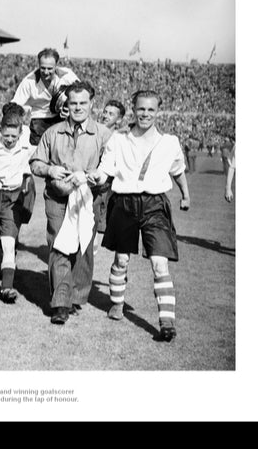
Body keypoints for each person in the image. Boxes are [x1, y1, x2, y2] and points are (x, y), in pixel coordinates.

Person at [87, 90, 191, 342]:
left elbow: (177, 171)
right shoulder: (119, 139)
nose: (145, 114)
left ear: (158, 112)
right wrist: (96, 176)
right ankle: (117, 304)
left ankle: (167, 322)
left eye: (151, 110)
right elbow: (106, 170)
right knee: (121, 259)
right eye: (141, 109)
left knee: (159, 263)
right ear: (133, 109)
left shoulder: (170, 142)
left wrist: (186, 195)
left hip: (155, 204)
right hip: (124, 202)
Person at [30, 81, 111, 324]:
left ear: (91, 104)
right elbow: (35, 163)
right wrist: (50, 169)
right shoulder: (53, 132)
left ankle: (76, 294)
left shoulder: (104, 135)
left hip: (89, 198)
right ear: (67, 104)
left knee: (83, 246)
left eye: (82, 103)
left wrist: (95, 175)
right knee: (58, 245)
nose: (77, 107)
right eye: (73, 103)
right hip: (58, 197)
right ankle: (61, 302)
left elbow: (111, 166)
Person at [0, 103, 35, 303]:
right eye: (6, 135)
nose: (10, 140)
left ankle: (7, 288)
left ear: (20, 133)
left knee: (9, 242)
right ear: (0, 130)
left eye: (14, 136)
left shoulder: (26, 148)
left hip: (12, 198)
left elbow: (31, 166)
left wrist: (27, 180)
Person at [11, 48, 79, 146]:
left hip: (62, 117)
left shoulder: (67, 75)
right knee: (39, 149)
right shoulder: (29, 81)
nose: (46, 72)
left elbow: (83, 92)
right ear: (38, 65)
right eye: (43, 68)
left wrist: (70, 108)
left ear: (56, 65)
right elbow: (15, 104)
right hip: (40, 118)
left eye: (50, 68)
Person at [93, 99, 127, 255]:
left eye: (111, 114)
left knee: (100, 232)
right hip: (90, 186)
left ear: (118, 120)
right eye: (105, 112)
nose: (105, 116)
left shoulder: (120, 139)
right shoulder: (92, 131)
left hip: (108, 190)